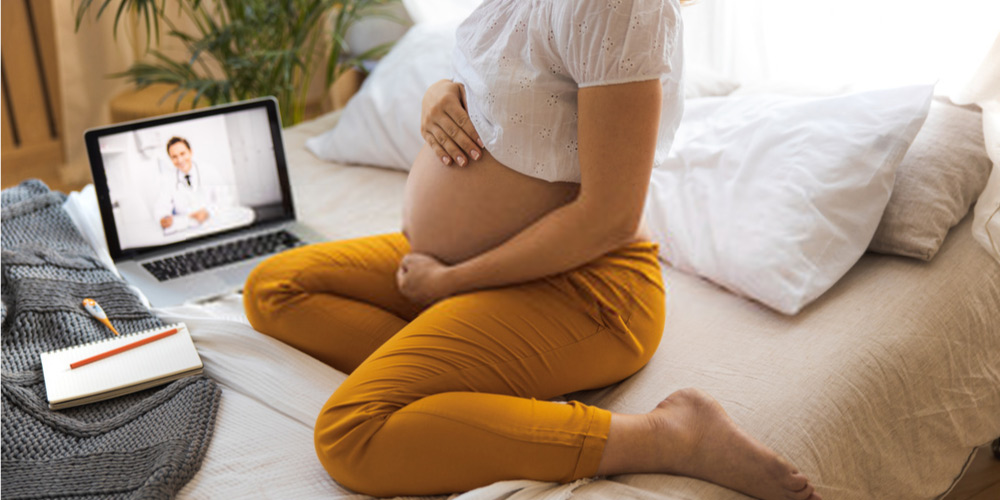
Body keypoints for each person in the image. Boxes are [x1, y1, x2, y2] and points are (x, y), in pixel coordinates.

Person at [243, 1, 822, 499]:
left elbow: (609, 219)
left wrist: (451, 283)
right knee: (273, 288)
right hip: (470, 264)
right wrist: (439, 94)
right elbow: (510, 95)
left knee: (352, 434)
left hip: (583, 288)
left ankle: (670, 434)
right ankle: (456, 371)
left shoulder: (617, 9)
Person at [154, 136, 216, 231]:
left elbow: (224, 199)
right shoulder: (168, 181)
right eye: (174, 157)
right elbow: (161, 208)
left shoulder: (208, 171)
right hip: (187, 231)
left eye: (182, 154)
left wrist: (208, 212)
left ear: (190, 152)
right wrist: (163, 218)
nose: (180, 160)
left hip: (213, 225)